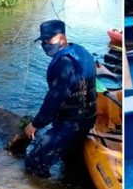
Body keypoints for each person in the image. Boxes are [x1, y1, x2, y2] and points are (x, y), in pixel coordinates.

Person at [23, 20, 97, 178]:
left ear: (62, 38)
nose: (45, 44)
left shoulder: (63, 64)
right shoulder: (80, 51)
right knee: (69, 159)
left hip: (71, 123)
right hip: (89, 117)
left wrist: (35, 124)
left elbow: (55, 99)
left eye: (49, 40)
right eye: (43, 40)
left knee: (33, 162)